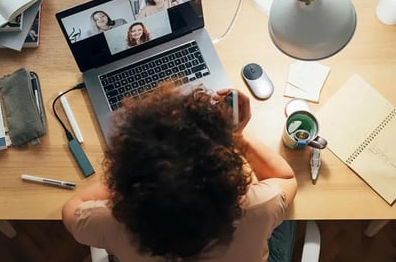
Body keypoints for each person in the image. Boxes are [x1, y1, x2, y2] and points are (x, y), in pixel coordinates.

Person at [62, 84, 298, 262]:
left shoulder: (108, 222)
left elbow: (72, 208)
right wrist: (236, 136)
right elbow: (286, 178)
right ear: (228, 178)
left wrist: (124, 177)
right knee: (290, 219)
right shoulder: (258, 206)